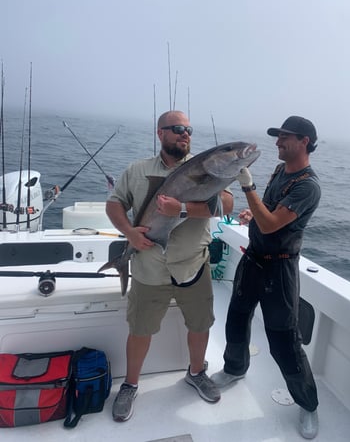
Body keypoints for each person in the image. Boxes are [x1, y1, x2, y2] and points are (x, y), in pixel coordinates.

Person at [106, 110, 233, 422]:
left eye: (188, 129)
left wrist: (184, 209)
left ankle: (196, 372)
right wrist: (129, 233)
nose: (184, 134)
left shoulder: (208, 169)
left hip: (192, 265)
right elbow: (115, 203)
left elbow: (227, 205)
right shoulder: (137, 170)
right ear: (160, 133)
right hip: (150, 266)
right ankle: (130, 384)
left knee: (200, 325)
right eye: (176, 129)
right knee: (140, 330)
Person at [211, 116, 321, 440]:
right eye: (277, 136)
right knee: (236, 319)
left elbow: (273, 224)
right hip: (253, 260)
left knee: (284, 342)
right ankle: (234, 368)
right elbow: (266, 214)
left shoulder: (308, 186)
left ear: (304, 141)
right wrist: (251, 215)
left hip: (279, 271)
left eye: (284, 137)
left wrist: (248, 188)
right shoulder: (279, 171)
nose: (277, 142)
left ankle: (308, 403)